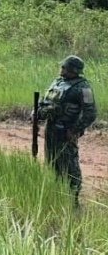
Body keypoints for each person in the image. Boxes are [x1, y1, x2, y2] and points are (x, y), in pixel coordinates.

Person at [37, 55, 97, 205]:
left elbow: (90, 113)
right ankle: (57, 195)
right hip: (51, 129)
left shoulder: (83, 87)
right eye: (62, 67)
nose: (61, 69)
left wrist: (75, 130)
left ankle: (74, 200)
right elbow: (46, 102)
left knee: (70, 166)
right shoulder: (58, 82)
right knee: (52, 162)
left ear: (73, 70)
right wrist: (37, 113)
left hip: (66, 132)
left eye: (64, 67)